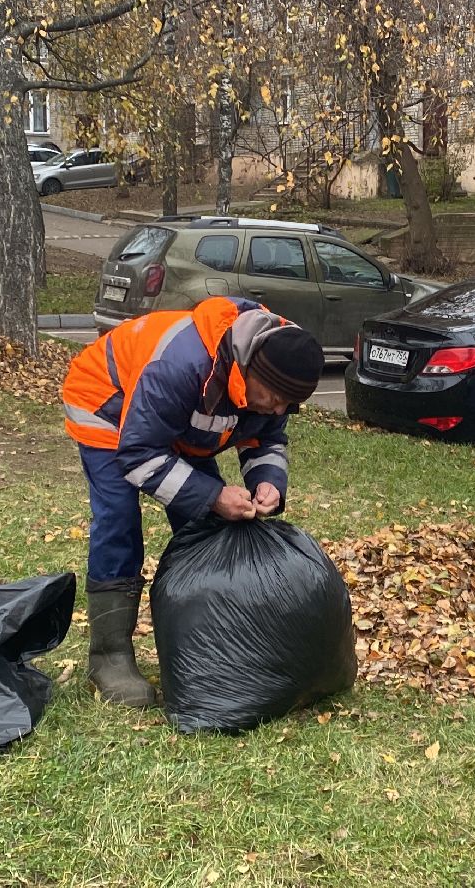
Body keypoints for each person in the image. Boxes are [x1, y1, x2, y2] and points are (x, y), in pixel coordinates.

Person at [60, 296, 327, 707]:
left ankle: (219, 637)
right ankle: (109, 657)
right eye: (273, 397)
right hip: (106, 404)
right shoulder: (181, 363)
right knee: (119, 520)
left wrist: (268, 481)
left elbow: (266, 437)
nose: (278, 408)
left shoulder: (278, 371)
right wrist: (214, 495)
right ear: (250, 368)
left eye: (287, 404)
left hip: (170, 420)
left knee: (208, 527)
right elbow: (139, 455)